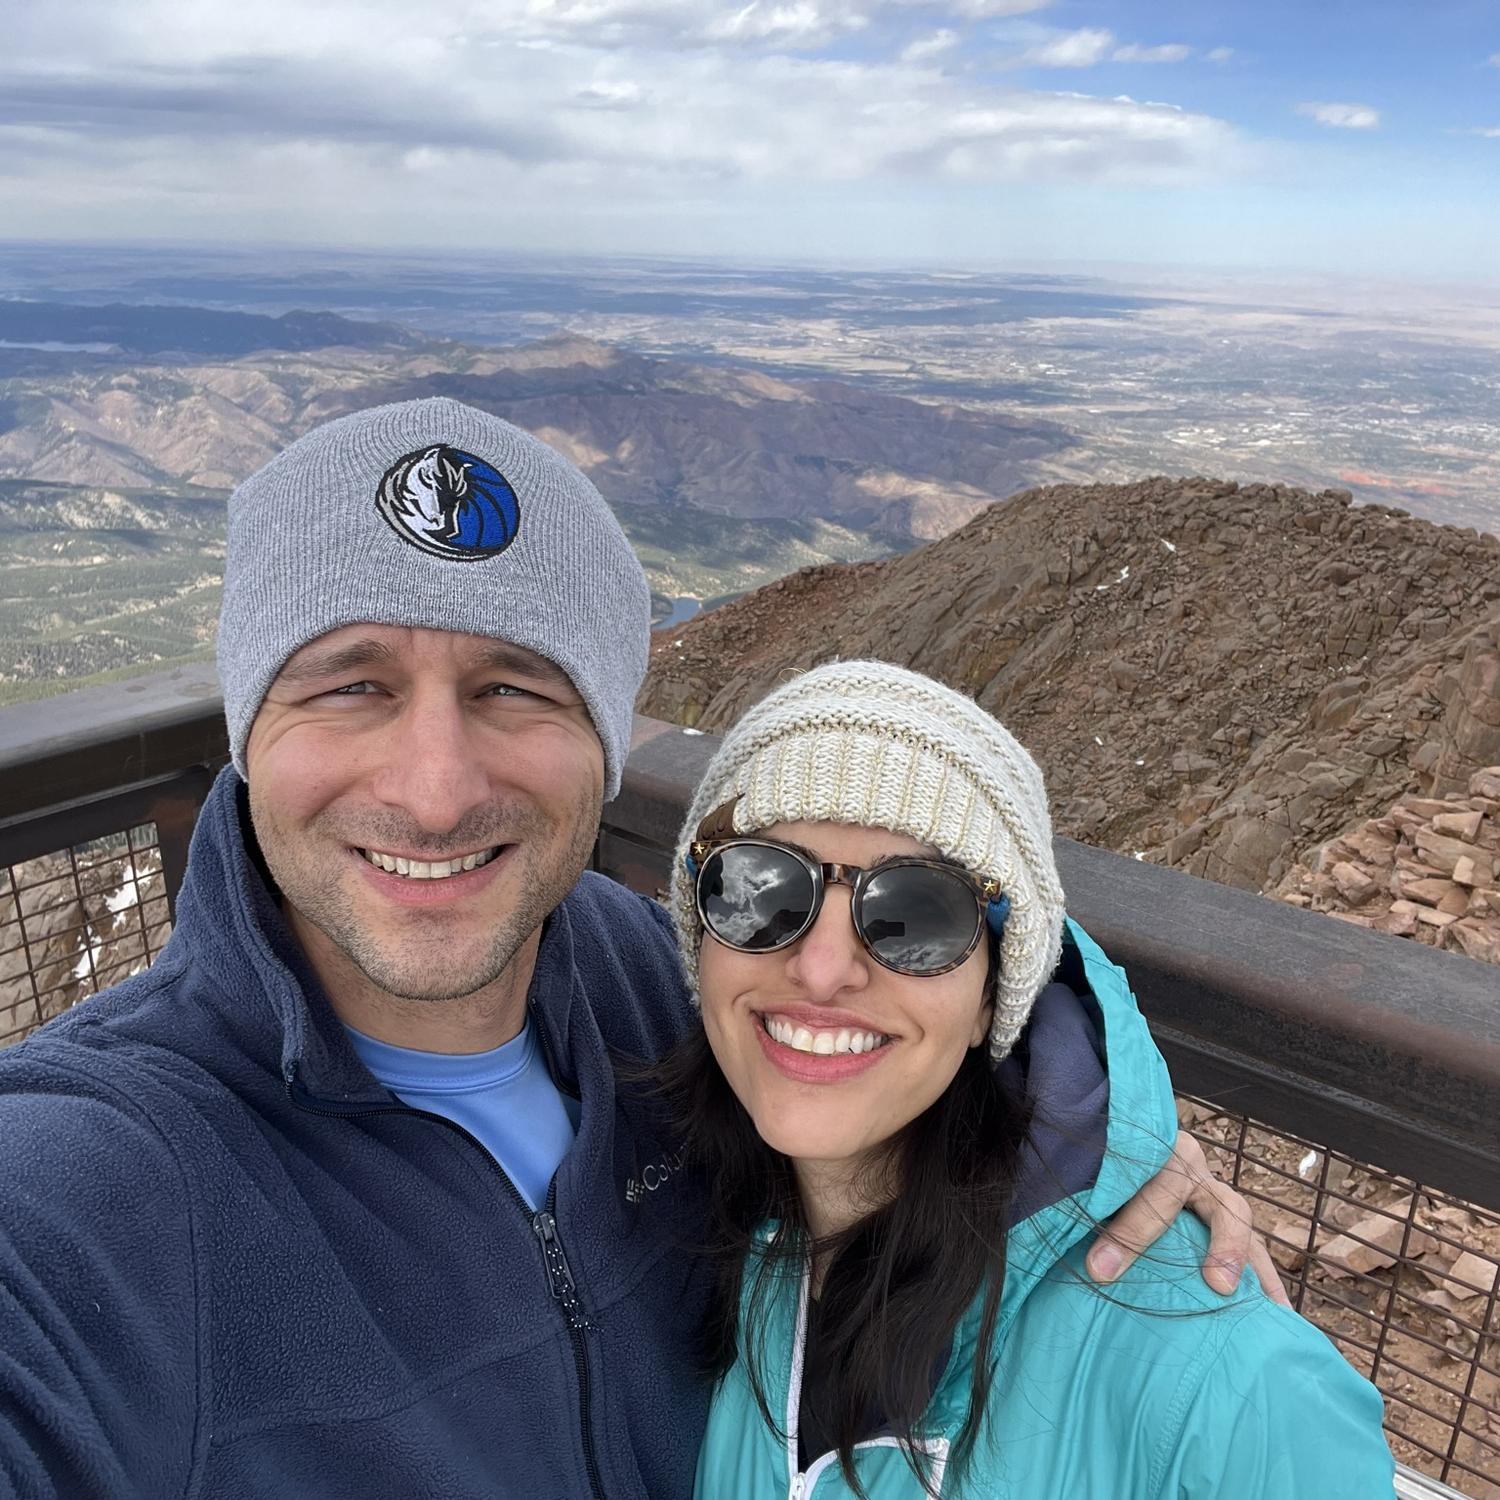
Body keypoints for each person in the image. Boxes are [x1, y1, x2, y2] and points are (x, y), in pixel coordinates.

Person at [0, 399, 1276, 1499]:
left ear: (604, 745)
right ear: (250, 727)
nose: (437, 791)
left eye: (515, 687)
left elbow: (897, 1006)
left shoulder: (647, 974)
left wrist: (1095, 1160)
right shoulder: (96, 1188)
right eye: (352, 683)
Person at [666, 661, 1396, 1498]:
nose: (824, 969)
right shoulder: (692, 1215)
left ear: (993, 999)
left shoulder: (1227, 1390)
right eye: (759, 888)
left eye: (917, 914)